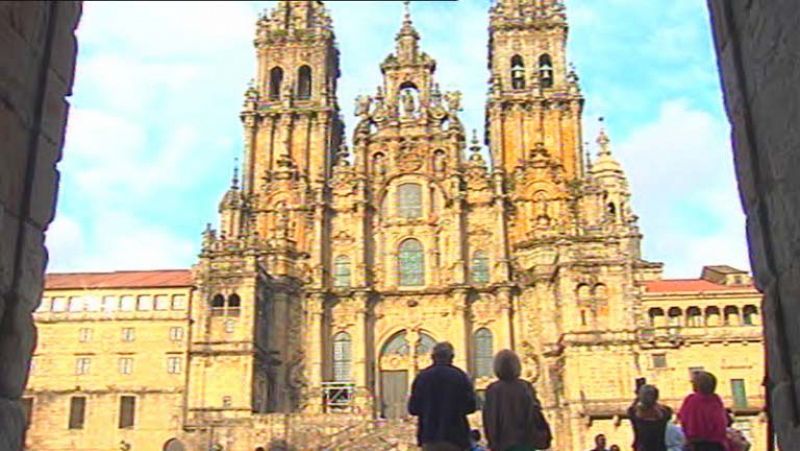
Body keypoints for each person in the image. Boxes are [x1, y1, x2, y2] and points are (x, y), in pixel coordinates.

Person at [408, 342, 477, 451]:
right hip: (455, 438)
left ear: (432, 357)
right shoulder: (460, 376)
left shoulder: (422, 377)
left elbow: (413, 409)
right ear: (452, 357)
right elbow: (471, 407)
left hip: (429, 437)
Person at [483, 349, 551, 451]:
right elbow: (534, 413)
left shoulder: (493, 390)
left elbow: (490, 418)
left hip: (503, 444)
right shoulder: (525, 387)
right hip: (525, 442)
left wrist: (492, 442)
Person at [678, 371, 728, 450]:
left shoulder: (691, 400)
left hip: (697, 444)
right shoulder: (716, 400)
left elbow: (684, 419)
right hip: (716, 443)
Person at [628, 384, 672, 451]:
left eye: (649, 394)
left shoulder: (664, 411)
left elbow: (663, 415)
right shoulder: (634, 411)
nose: (646, 397)